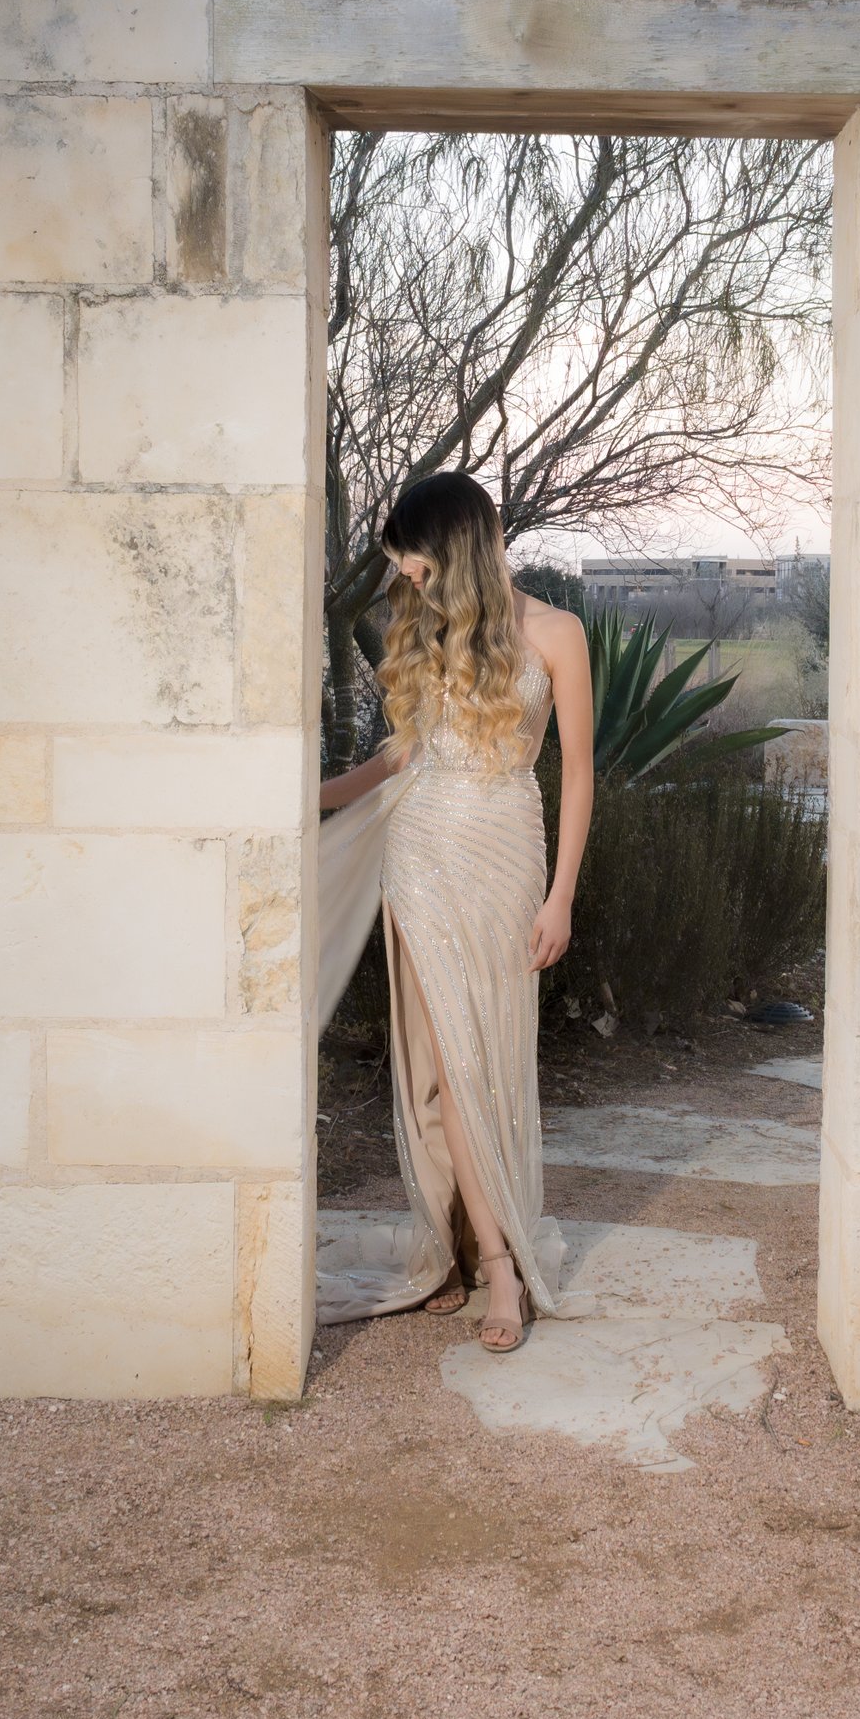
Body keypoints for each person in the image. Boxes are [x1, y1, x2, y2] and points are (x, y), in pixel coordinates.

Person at [314, 472, 595, 1353]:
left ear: (463, 547)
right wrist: (308, 796)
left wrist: (562, 898)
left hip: (508, 854)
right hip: (423, 859)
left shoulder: (558, 634)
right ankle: (488, 1265)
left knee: (490, 1063)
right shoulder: (430, 637)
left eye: (421, 567)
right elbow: (402, 758)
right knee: (447, 1069)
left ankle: (479, 1248)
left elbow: (580, 773)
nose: (412, 584)